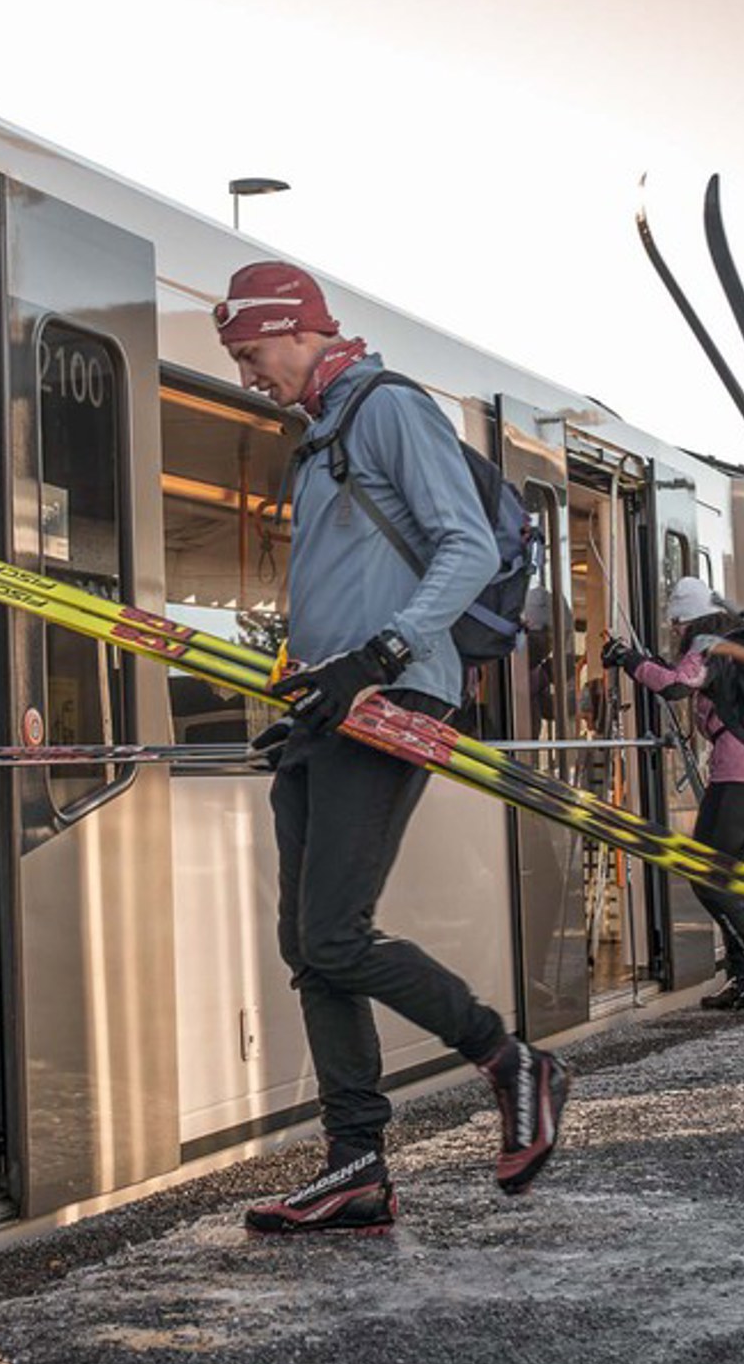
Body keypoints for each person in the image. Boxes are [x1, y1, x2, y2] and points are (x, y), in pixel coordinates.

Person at [218, 259, 570, 1235]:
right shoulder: (322, 434)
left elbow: (461, 543)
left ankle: (511, 1061)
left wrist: (379, 649)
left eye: (250, 354)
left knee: (333, 930)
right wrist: (310, 682)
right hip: (333, 705)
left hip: (393, 698)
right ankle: (356, 1165)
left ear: (293, 328)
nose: (249, 374)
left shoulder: (385, 408)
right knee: (308, 944)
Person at [602, 576, 744, 1013]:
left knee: (705, 874)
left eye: (676, 622)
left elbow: (675, 685)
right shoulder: (733, 645)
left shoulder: (707, 644)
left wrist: (627, 659)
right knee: (726, 876)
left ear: (691, 619)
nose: (674, 630)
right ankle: (743, 973)